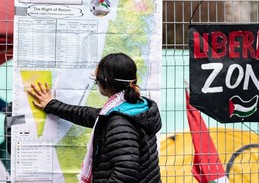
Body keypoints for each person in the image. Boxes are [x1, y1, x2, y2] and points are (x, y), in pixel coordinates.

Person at [28, 52, 162, 183]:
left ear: (105, 82)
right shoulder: (134, 107)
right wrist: (51, 104)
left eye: (96, 80)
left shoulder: (119, 122)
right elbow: (88, 115)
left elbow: (124, 174)